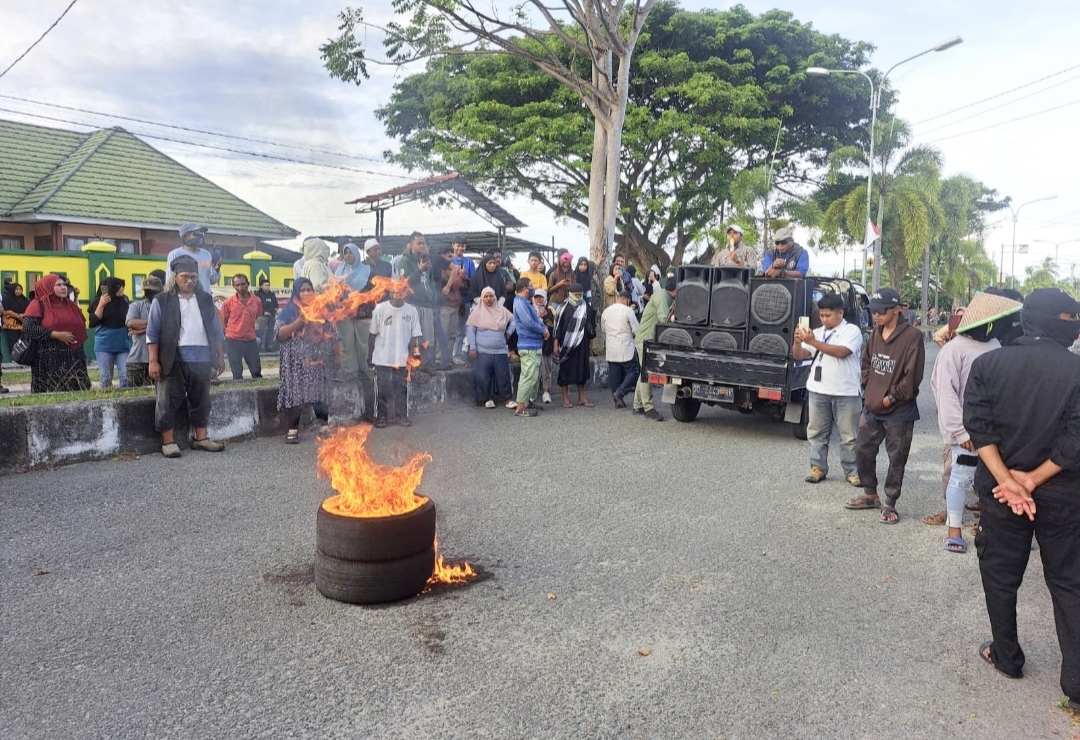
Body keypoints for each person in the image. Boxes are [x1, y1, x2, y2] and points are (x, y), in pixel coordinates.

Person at [962, 288, 1080, 709]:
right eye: (1070, 318)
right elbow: (1076, 439)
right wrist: (1031, 479)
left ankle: (1007, 656)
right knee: (1069, 581)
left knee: (1000, 574)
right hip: (1065, 493)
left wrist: (1011, 481)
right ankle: (1076, 682)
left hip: (1000, 492)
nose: (1074, 325)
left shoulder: (988, 365)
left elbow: (978, 428)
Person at [928, 292, 1020, 553]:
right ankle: (953, 529)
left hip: (993, 430)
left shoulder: (994, 346)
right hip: (966, 432)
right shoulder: (953, 350)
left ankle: (987, 526)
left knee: (990, 480)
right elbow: (945, 394)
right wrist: (960, 431)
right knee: (961, 477)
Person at [844, 288, 925, 524]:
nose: (876, 316)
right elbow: (866, 362)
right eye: (873, 312)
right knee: (863, 449)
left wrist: (891, 397)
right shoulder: (876, 333)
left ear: (896, 309)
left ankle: (890, 502)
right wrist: (869, 388)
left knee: (896, 457)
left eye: (881, 311)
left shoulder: (912, 336)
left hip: (899, 411)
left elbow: (912, 378)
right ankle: (870, 493)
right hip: (872, 407)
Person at [146, 254, 226, 458]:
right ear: (174, 277)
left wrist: (219, 356)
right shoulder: (162, 301)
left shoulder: (206, 300)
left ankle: (201, 438)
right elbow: (152, 333)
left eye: (193, 277)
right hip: (173, 358)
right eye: (185, 277)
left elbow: (216, 331)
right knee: (168, 401)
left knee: (202, 399)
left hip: (201, 358)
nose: (189, 281)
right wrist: (153, 361)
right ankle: (169, 442)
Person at [792, 293, 865, 485]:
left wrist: (813, 341)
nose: (823, 319)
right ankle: (817, 468)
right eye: (821, 315)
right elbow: (799, 356)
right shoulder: (816, 331)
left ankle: (852, 471)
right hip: (818, 390)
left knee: (849, 436)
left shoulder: (852, 331)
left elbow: (842, 352)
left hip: (846, 392)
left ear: (840, 313)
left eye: (827, 316)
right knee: (816, 433)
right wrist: (798, 341)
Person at [275, 278, 339, 443]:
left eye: (309, 289)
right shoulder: (288, 311)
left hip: (318, 359)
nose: (306, 293)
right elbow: (279, 335)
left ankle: (323, 426)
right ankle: (292, 429)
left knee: (319, 393)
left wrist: (337, 356)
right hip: (295, 363)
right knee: (296, 395)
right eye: (302, 290)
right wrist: (298, 323)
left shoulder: (322, 310)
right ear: (296, 292)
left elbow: (334, 334)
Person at [21, 274, 91, 393]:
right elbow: (29, 328)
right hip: (48, 358)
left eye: (64, 284)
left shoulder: (71, 305)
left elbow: (81, 324)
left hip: (74, 356)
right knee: (53, 392)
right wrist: (55, 335)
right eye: (58, 285)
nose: (63, 287)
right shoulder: (37, 305)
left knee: (77, 393)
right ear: (47, 287)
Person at [368, 280, 423, 428]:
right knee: (383, 388)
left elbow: (414, 337)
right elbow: (372, 334)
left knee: (401, 388)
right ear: (390, 293)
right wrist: (370, 355)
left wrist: (413, 357)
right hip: (382, 357)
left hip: (402, 358)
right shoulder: (380, 309)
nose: (397, 295)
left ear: (405, 293)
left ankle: (401, 416)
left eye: (400, 292)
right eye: (394, 292)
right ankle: (382, 417)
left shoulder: (411, 311)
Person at [633, 276, 676, 421]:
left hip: (647, 338)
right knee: (647, 372)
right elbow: (665, 319)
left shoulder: (666, 296)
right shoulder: (663, 297)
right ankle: (648, 408)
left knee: (643, 371)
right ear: (675, 289)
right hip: (646, 339)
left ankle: (638, 404)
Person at [397, 231, 440, 370]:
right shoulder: (405, 261)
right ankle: (411, 365)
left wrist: (434, 304)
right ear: (411, 245)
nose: (422, 246)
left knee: (427, 337)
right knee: (413, 338)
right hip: (412, 303)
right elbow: (404, 283)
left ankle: (425, 364)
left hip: (427, 305)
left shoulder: (427, 260)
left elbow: (431, 282)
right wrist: (419, 270)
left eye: (424, 243)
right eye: (419, 243)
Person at [467, 286, 515, 408]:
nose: (489, 299)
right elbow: (471, 330)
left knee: (503, 375)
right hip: (483, 351)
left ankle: (507, 399)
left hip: (500, 350)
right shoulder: (476, 312)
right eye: (486, 297)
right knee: (483, 376)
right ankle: (487, 399)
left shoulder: (502, 310)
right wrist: (473, 347)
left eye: (491, 296)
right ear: (482, 299)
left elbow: (513, 320)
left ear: (495, 297)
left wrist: (508, 333)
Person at [333, 243, 373, 382]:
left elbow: (371, 293)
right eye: (346, 253)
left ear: (357, 254)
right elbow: (335, 292)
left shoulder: (367, 270)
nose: (348, 255)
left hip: (362, 313)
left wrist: (361, 308)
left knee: (362, 343)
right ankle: (350, 371)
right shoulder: (339, 271)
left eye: (351, 253)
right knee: (347, 342)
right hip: (344, 313)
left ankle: (363, 368)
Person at [554, 283, 596, 408]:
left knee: (582, 370)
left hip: (582, 343)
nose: (578, 297)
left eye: (580, 295)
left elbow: (591, 327)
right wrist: (555, 344)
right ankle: (565, 398)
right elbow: (557, 328)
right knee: (565, 370)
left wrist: (591, 344)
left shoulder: (586, 307)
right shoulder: (562, 308)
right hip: (567, 345)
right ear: (570, 294)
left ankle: (582, 397)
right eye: (575, 295)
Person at [511, 279, 548, 418]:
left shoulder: (525, 303)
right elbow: (529, 323)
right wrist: (543, 330)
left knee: (533, 376)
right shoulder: (520, 303)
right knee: (528, 376)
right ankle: (520, 407)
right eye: (531, 287)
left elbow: (536, 321)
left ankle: (527, 403)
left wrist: (543, 328)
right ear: (525, 289)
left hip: (534, 344)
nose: (533, 289)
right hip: (528, 345)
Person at [89, 278, 131, 389]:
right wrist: (102, 304)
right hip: (105, 345)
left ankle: (125, 398)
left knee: (125, 376)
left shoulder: (125, 300)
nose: (122, 288)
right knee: (106, 378)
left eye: (123, 286)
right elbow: (93, 321)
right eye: (119, 286)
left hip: (123, 344)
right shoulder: (98, 301)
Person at [219, 273, 263, 380]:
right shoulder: (228, 302)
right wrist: (226, 333)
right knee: (237, 374)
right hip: (233, 340)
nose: (240, 287)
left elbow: (258, 315)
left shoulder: (257, 301)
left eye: (243, 284)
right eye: (237, 285)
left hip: (250, 339)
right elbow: (223, 319)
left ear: (248, 284)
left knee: (256, 372)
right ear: (233, 286)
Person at [602, 289, 639, 407]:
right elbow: (636, 330)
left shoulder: (606, 311)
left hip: (611, 346)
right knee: (633, 371)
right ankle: (620, 392)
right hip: (625, 346)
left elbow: (603, 329)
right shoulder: (628, 311)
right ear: (627, 300)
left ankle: (616, 399)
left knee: (614, 374)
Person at [125, 275, 163, 388]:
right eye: (147, 291)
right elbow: (130, 323)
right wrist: (157, 325)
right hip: (137, 361)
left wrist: (139, 330)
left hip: (160, 361)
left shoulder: (166, 306)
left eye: (153, 291)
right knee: (133, 398)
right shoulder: (136, 305)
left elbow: (169, 326)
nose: (150, 293)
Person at [166, 223, 221, 293]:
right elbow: (169, 280)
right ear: (185, 236)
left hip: (204, 299)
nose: (200, 236)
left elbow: (212, 280)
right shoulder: (175, 254)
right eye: (196, 234)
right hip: (184, 299)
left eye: (202, 234)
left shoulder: (207, 254)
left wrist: (216, 270)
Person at [434, 247, 464, 369]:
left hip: (455, 305)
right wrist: (461, 276)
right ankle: (438, 359)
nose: (452, 259)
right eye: (449, 257)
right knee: (442, 334)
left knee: (452, 334)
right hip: (445, 306)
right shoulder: (439, 270)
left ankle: (448, 358)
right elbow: (457, 283)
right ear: (442, 257)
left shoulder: (452, 270)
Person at [450, 235, 475, 360]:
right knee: (449, 330)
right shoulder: (449, 260)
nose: (460, 247)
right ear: (453, 245)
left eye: (463, 245)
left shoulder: (469, 262)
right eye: (458, 245)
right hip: (450, 301)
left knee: (461, 330)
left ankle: (457, 355)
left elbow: (474, 282)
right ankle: (447, 356)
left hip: (465, 300)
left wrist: (465, 277)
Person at [533, 288, 557, 404]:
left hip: (546, 345)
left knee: (546, 369)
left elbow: (554, 328)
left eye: (542, 297)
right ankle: (532, 393)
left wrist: (545, 318)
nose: (540, 300)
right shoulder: (529, 310)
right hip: (532, 344)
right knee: (532, 370)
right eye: (537, 297)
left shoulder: (551, 311)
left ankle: (546, 392)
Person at [255, 279, 278, 352]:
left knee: (271, 331)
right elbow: (256, 306)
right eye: (265, 285)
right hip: (262, 316)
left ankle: (269, 346)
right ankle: (262, 346)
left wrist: (275, 310)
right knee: (262, 331)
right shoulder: (258, 295)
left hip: (272, 316)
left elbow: (276, 304)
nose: (267, 287)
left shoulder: (272, 294)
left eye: (268, 285)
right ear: (261, 286)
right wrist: (264, 312)